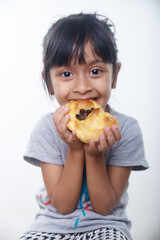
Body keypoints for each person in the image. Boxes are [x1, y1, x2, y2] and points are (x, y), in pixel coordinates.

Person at [19, 13, 149, 240]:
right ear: (49, 82)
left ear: (115, 75)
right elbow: (62, 205)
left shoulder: (125, 129)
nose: (82, 87)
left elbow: (104, 207)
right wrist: (76, 148)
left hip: (107, 225)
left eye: (95, 71)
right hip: (51, 225)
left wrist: (93, 152)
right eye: (66, 74)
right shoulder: (46, 129)